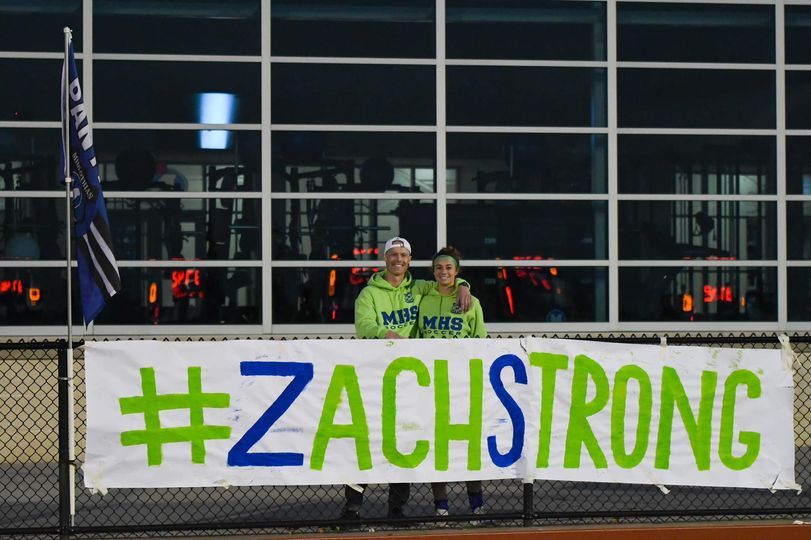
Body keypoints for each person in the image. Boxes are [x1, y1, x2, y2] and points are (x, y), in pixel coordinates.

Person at [340, 236, 471, 526]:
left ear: (410, 260)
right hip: (376, 378)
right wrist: (388, 335)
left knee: (404, 443)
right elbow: (364, 326)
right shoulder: (369, 294)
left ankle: (396, 510)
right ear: (385, 259)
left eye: (403, 255)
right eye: (393, 254)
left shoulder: (418, 287)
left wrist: (464, 286)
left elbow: (445, 283)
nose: (398, 259)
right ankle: (352, 508)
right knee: (368, 442)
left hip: (409, 382)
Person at [417, 246, 486, 524]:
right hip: (431, 384)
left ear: (457, 272)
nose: (443, 272)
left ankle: (477, 505)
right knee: (438, 446)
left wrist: (464, 288)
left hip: (462, 383)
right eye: (438, 268)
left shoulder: (472, 302)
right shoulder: (424, 299)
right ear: (433, 272)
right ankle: (441, 506)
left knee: (468, 445)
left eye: (448, 268)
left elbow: (481, 341)